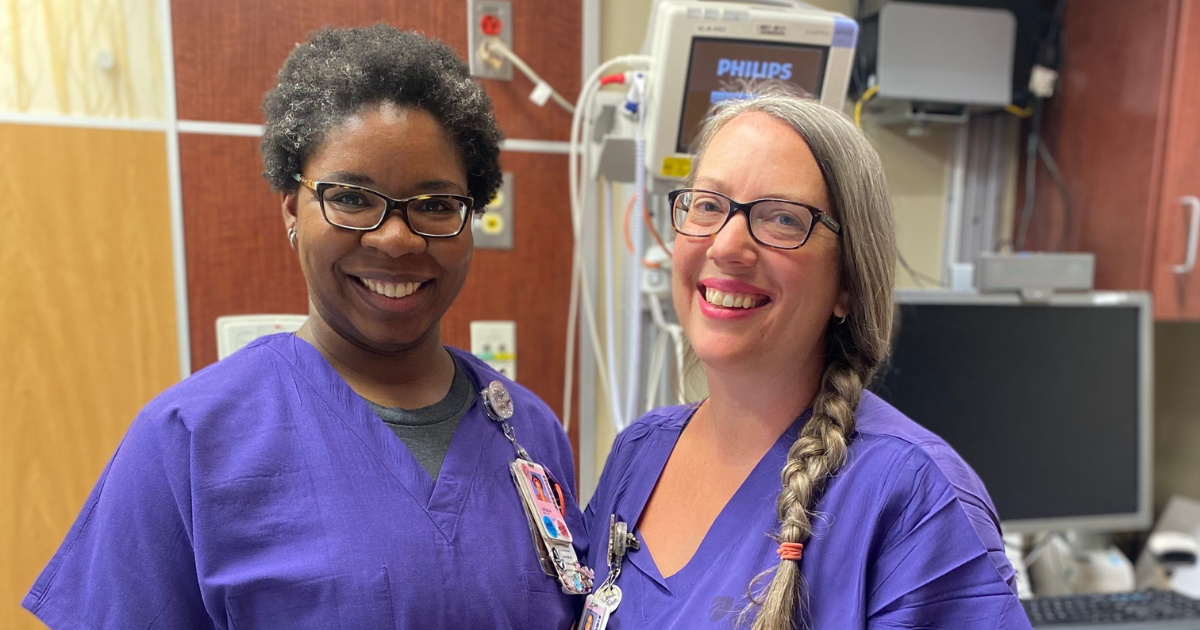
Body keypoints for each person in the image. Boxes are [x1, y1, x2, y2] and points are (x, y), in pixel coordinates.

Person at [24, 25, 587, 629]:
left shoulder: (528, 432)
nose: (396, 238)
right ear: (293, 209)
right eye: (351, 197)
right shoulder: (188, 441)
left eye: (435, 204)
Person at [583, 92, 1032, 629]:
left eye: (782, 219)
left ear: (847, 283)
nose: (727, 245)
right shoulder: (639, 453)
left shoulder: (913, 497)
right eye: (707, 205)